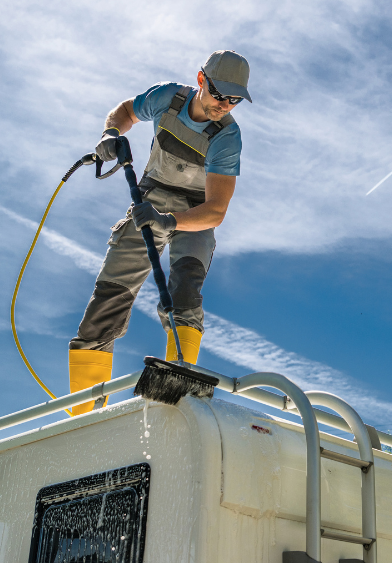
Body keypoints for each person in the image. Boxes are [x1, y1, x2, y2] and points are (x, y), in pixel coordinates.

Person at [68, 50, 251, 415]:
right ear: (202, 81)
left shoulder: (227, 138)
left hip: (194, 214)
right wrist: (110, 132)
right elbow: (125, 111)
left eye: (234, 100)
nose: (224, 105)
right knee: (110, 296)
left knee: (185, 285)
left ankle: (176, 387)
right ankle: (81, 412)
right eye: (219, 94)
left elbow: (215, 210)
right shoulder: (167, 98)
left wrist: (170, 221)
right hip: (149, 199)